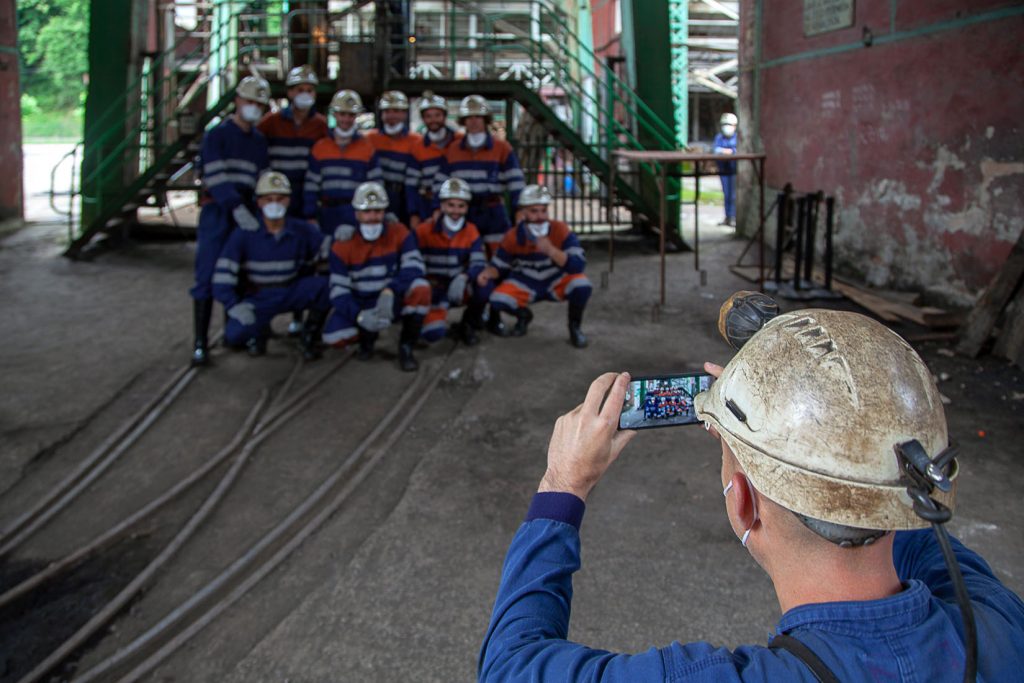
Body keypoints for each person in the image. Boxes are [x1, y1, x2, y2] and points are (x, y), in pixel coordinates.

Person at [479, 307, 1024, 681]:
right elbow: (896, 501)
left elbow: (510, 667)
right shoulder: (1000, 627)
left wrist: (562, 484)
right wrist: (825, 387)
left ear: (743, 502)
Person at [190, 75, 271, 367]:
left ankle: (233, 333)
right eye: (249, 101)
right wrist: (235, 207)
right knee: (208, 274)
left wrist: (259, 212)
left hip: (247, 212)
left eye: (259, 104)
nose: (253, 107)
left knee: (242, 274)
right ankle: (200, 342)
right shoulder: (217, 135)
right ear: (237, 101)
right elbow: (215, 175)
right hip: (219, 212)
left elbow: (262, 178)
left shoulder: (259, 142)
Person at [211, 171, 330, 360]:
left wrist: (345, 238)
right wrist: (233, 306)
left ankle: (309, 336)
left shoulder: (302, 229)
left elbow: (330, 250)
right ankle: (259, 334)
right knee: (235, 336)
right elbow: (222, 276)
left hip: (291, 290)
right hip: (259, 296)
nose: (274, 204)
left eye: (280, 198)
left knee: (328, 287)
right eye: (268, 199)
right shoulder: (244, 234)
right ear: (259, 202)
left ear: (289, 201)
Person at [322, 181, 431, 372]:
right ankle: (367, 338)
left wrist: (391, 290)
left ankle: (406, 346)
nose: (373, 217)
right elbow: (338, 291)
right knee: (334, 337)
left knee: (421, 288)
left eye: (378, 211)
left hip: (390, 297)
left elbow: (415, 266)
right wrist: (359, 315)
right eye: (367, 212)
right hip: (361, 301)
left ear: (385, 212)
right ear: (356, 214)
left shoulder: (399, 232)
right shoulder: (342, 245)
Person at [257, 65, 329, 337]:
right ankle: (262, 319)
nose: (305, 94)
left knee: (304, 255)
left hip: (304, 197)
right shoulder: (271, 123)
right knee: (270, 253)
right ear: (289, 92)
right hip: (276, 198)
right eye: (300, 90)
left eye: (310, 90)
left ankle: (299, 316)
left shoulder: (320, 125)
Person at [479, 184, 591, 348]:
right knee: (497, 299)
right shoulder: (513, 235)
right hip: (525, 282)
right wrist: (487, 273)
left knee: (582, 284)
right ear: (523, 212)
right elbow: (499, 265)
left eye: (543, 210)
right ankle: (524, 316)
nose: (540, 216)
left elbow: (578, 265)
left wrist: (551, 251)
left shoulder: (560, 229)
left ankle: (575, 328)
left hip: (555, 280)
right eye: (534, 211)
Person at [438, 94, 525, 256]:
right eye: (469, 117)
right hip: (463, 211)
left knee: (499, 252)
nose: (474, 121)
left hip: (493, 210)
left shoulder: (501, 148)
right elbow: (440, 182)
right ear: (463, 121)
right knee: (463, 251)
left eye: (478, 116)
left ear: (486, 119)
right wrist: (438, 207)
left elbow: (516, 181)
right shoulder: (453, 149)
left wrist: (519, 208)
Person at [414, 178, 488, 346]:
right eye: (451, 205)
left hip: (458, 284)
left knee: (484, 285)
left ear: (467, 207)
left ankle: (467, 324)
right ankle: (418, 323)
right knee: (433, 334)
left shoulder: (471, 231)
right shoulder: (423, 231)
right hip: (432, 288)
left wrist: (464, 276)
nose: (456, 210)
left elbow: (478, 262)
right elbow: (410, 260)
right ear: (441, 205)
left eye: (461, 206)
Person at [304, 89, 382, 239]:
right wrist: (310, 216)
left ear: (357, 116)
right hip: (326, 212)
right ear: (334, 114)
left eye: (351, 115)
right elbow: (311, 186)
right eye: (342, 114)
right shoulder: (320, 147)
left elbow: (375, 185)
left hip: (356, 213)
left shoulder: (367, 148)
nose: (346, 119)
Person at [367, 91, 421, 227]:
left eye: (396, 111)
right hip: (375, 196)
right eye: (387, 111)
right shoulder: (370, 139)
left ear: (404, 114)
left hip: (403, 197)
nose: (391, 116)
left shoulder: (415, 141)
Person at [409, 90, 462, 228]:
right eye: (428, 116)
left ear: (445, 116)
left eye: (437, 115)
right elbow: (411, 184)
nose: (433, 120)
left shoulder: (459, 141)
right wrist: (414, 214)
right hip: (427, 202)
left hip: (458, 204)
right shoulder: (418, 147)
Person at [713, 112, 738, 227]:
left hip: (733, 171)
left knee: (733, 195)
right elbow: (716, 150)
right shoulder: (719, 137)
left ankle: (733, 216)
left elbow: (736, 151)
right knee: (726, 194)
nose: (727, 127)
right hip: (723, 170)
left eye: (729, 124)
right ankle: (727, 217)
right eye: (725, 124)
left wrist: (727, 152)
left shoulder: (737, 138)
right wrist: (728, 151)